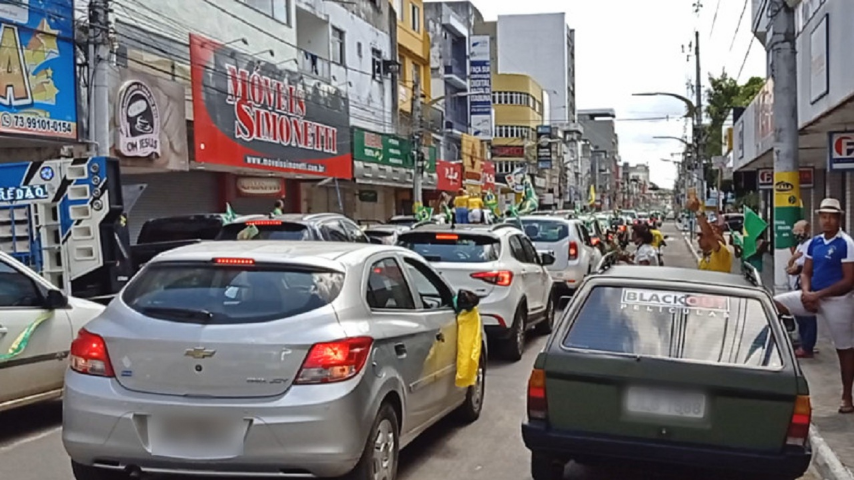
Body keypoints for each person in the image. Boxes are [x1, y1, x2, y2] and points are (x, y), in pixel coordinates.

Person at [775, 198, 854, 414]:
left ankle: (847, 395)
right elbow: (806, 271)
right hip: (812, 294)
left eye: (831, 216)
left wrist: (818, 295)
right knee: (773, 305)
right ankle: (779, 353)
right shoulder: (816, 242)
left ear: (839, 218)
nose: (827, 221)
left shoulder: (846, 244)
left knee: (844, 349)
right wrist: (808, 292)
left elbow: (848, 281)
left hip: (838, 300)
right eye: (824, 216)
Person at [788, 220, 818, 359]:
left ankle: (807, 346)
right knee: (800, 316)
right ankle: (803, 342)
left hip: (804, 285)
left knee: (807, 316)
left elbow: (797, 267)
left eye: (798, 231)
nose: (796, 234)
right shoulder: (801, 245)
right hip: (796, 284)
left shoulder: (809, 245)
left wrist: (793, 262)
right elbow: (791, 265)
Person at [687, 197, 732, 273]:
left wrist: (697, 211)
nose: (699, 239)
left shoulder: (721, 253)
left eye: (702, 236)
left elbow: (708, 234)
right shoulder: (704, 260)